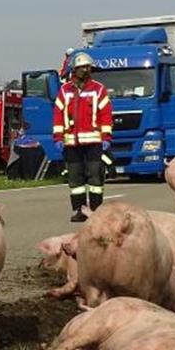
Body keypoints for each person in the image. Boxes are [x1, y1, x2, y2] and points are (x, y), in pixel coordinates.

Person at [52, 51, 112, 222]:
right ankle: (80, 210)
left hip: (94, 141)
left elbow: (105, 115)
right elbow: (58, 115)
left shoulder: (98, 90)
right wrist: (58, 138)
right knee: (75, 179)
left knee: (95, 177)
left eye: (88, 67)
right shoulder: (65, 91)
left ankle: (96, 211)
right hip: (71, 142)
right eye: (83, 67)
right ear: (74, 70)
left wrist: (106, 137)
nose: (87, 70)